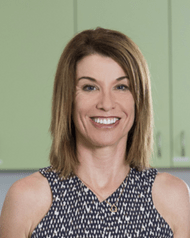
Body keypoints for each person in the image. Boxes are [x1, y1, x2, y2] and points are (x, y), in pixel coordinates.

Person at [0, 27, 189, 238]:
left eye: (121, 87)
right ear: (68, 99)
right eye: (90, 87)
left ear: (139, 100)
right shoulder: (26, 199)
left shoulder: (173, 197)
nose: (106, 104)